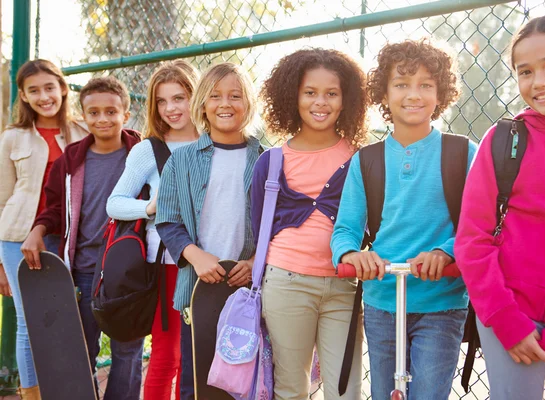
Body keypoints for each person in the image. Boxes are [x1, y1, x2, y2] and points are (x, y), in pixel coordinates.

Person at [455, 13, 545, 400]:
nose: (539, 82)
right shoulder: (504, 139)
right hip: (510, 315)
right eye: (525, 71)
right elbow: (472, 239)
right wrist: (506, 321)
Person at [330, 39, 477, 400]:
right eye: (402, 84)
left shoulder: (463, 153)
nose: (414, 94)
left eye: (426, 85)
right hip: (382, 300)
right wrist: (351, 255)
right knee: (385, 393)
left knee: (428, 393)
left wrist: (446, 252)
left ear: (440, 93)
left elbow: (479, 226)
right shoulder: (366, 160)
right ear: (384, 92)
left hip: (440, 301)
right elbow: (345, 229)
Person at [252, 48, 368, 399]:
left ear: (346, 99)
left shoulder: (362, 159)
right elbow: (260, 228)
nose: (321, 102)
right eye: (310, 92)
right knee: (291, 388)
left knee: (345, 390)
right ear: (293, 96)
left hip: (344, 288)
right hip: (286, 284)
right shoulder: (271, 162)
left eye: (332, 93)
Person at [21, 76, 145, 400]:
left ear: (126, 113)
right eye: (94, 113)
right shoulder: (70, 160)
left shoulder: (143, 155)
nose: (102, 119)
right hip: (82, 272)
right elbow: (52, 209)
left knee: (127, 355)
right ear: (83, 115)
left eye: (111, 111)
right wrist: (37, 232)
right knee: (78, 355)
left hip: (128, 273)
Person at [155, 62, 261, 400]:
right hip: (197, 289)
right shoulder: (182, 160)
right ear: (202, 104)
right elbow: (168, 220)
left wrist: (257, 260)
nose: (225, 104)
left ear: (249, 103)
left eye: (235, 95)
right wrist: (196, 256)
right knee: (197, 383)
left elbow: (278, 225)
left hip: (248, 289)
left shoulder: (268, 159)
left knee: (245, 380)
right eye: (215, 96)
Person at [106, 60, 200, 400]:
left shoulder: (217, 141)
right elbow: (114, 203)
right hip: (168, 265)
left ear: (196, 96)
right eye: (162, 101)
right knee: (168, 353)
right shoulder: (150, 149)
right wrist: (149, 207)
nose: (171, 108)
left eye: (179, 98)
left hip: (214, 262)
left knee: (201, 354)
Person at [0, 59, 88, 399]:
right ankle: (32, 395)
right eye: (33, 90)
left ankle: (69, 389)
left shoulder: (82, 132)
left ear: (63, 88)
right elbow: (2, 199)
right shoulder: (12, 137)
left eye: (49, 87)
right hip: (18, 238)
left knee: (69, 320)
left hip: (69, 237)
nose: (44, 96)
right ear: (23, 95)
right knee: (28, 322)